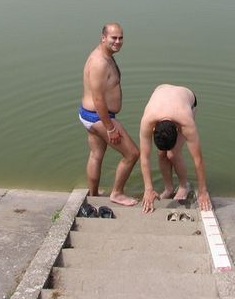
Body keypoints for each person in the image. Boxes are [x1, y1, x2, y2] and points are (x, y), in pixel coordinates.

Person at [79, 22, 139, 206]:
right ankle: (117, 193)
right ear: (103, 38)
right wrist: (110, 128)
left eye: (121, 38)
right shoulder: (99, 63)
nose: (118, 41)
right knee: (132, 154)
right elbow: (98, 99)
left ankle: (93, 195)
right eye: (114, 38)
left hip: (90, 115)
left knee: (96, 154)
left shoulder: (106, 56)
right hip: (99, 117)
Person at [139, 84, 212, 212]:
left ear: (178, 130)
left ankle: (184, 186)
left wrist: (203, 191)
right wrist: (148, 189)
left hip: (187, 100)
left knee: (173, 153)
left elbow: (198, 159)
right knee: (162, 154)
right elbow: (144, 157)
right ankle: (169, 188)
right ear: (154, 129)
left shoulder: (186, 123)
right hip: (161, 90)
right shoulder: (147, 121)